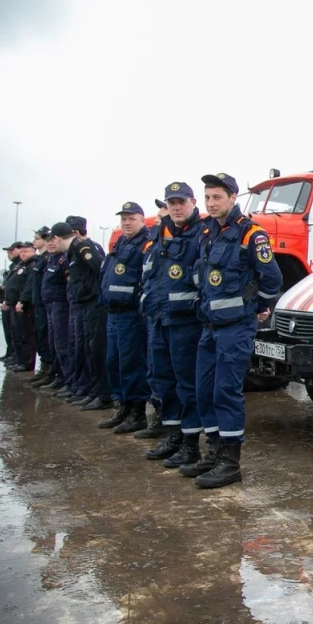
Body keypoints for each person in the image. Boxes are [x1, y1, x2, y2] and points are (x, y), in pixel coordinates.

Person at [191, 172, 282, 488]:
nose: (211, 203)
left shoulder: (251, 235)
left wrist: (256, 309)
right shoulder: (208, 233)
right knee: (203, 391)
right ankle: (214, 452)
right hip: (209, 328)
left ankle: (230, 464)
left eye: (217, 197)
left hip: (236, 329)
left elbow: (272, 280)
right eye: (207, 197)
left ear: (232, 198)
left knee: (224, 393)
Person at [142, 183, 208, 468]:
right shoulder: (159, 233)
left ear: (193, 202)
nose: (176, 207)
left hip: (185, 322)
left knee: (186, 384)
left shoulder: (202, 234)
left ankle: (190, 444)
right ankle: (173, 437)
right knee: (163, 381)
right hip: (158, 319)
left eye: (181, 202)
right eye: (171, 202)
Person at [96, 202, 151, 431]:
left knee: (132, 364)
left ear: (141, 220)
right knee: (114, 362)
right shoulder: (121, 242)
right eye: (124, 219)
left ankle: (137, 413)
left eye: (132, 218)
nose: (127, 223)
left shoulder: (146, 245)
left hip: (131, 315)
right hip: (114, 314)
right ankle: (122, 407)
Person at [51, 218, 109, 409]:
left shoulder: (82, 248)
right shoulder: (73, 252)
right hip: (83, 305)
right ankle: (91, 391)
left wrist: (94, 292)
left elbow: (101, 268)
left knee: (94, 350)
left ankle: (100, 393)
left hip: (92, 305)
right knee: (84, 349)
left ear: (58, 238)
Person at [132, 198, 172, 441]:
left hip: (171, 318)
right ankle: (158, 417)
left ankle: (171, 426)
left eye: (161, 217)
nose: (156, 220)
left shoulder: (177, 244)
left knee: (169, 375)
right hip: (152, 315)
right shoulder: (152, 246)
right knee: (154, 371)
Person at [39, 233, 73, 394]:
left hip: (61, 306)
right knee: (53, 343)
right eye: (48, 240)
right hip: (50, 306)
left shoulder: (63, 259)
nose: (50, 243)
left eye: (53, 240)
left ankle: (67, 380)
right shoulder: (50, 260)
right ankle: (59, 377)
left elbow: (69, 283)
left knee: (62, 344)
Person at [26, 227, 55, 386]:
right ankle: (44, 369)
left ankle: (50, 371)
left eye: (37, 239)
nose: (33, 242)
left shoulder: (49, 258)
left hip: (46, 304)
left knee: (46, 337)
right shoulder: (41, 259)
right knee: (40, 337)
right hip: (38, 302)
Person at [6, 241, 37, 372]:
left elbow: (29, 286)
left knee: (26, 335)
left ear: (33, 252)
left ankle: (26, 363)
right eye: (22, 252)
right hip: (15, 304)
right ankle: (19, 359)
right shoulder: (20, 265)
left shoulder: (32, 265)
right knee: (17, 334)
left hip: (24, 305)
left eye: (27, 251)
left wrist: (22, 300)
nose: (24, 254)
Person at [0, 243, 21, 364]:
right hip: (7, 302)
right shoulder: (13, 266)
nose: (9, 254)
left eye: (12, 251)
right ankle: (10, 353)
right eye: (8, 252)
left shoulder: (21, 265)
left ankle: (16, 355)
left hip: (15, 302)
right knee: (8, 330)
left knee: (16, 332)